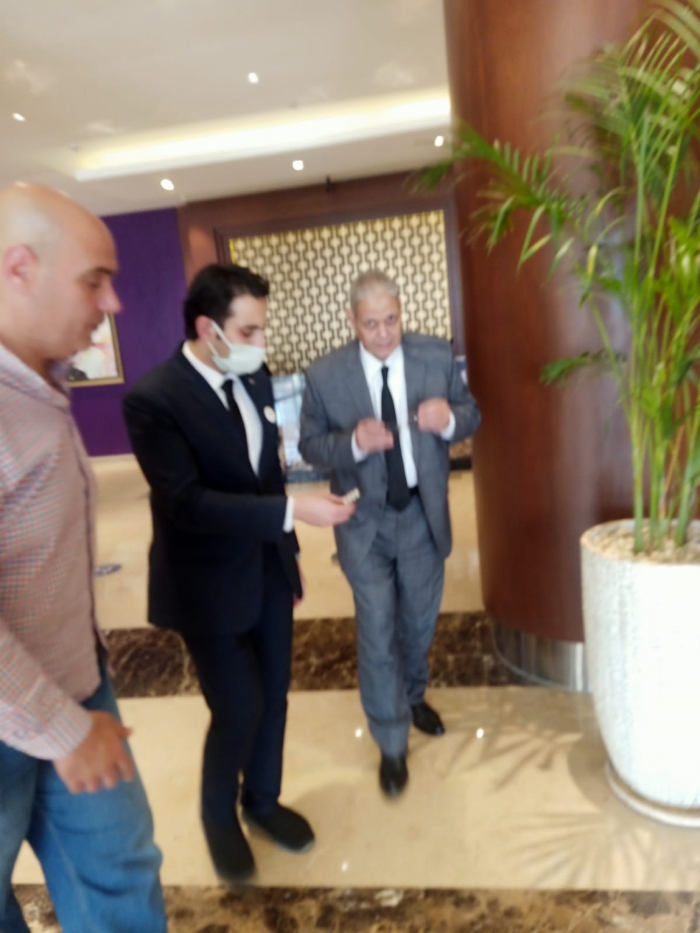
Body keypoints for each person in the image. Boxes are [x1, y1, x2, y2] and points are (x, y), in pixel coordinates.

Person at [122, 263, 354, 884]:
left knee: (273, 694)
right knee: (238, 706)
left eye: (261, 329)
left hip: (267, 568)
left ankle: (263, 801)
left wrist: (289, 556)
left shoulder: (252, 379)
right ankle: (218, 816)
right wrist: (292, 513)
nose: (260, 342)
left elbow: (268, 473)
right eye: (249, 331)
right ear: (208, 328)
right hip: (205, 584)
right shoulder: (154, 400)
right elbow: (186, 503)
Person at [0, 183, 166, 933]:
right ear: (19, 268)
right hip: (28, 715)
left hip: (76, 688)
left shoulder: (42, 381)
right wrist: (61, 729)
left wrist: (76, 713)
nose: (114, 303)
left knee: (122, 880)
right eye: (94, 280)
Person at [299, 269, 481, 798]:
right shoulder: (325, 375)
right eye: (371, 323)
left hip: (423, 515)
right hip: (363, 523)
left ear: (403, 314)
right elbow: (310, 445)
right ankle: (391, 739)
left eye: (392, 320)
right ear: (352, 321)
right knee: (378, 628)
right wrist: (353, 443)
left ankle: (413, 694)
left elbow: (471, 415)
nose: (383, 333)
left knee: (418, 623)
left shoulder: (435, 356)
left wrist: (450, 419)